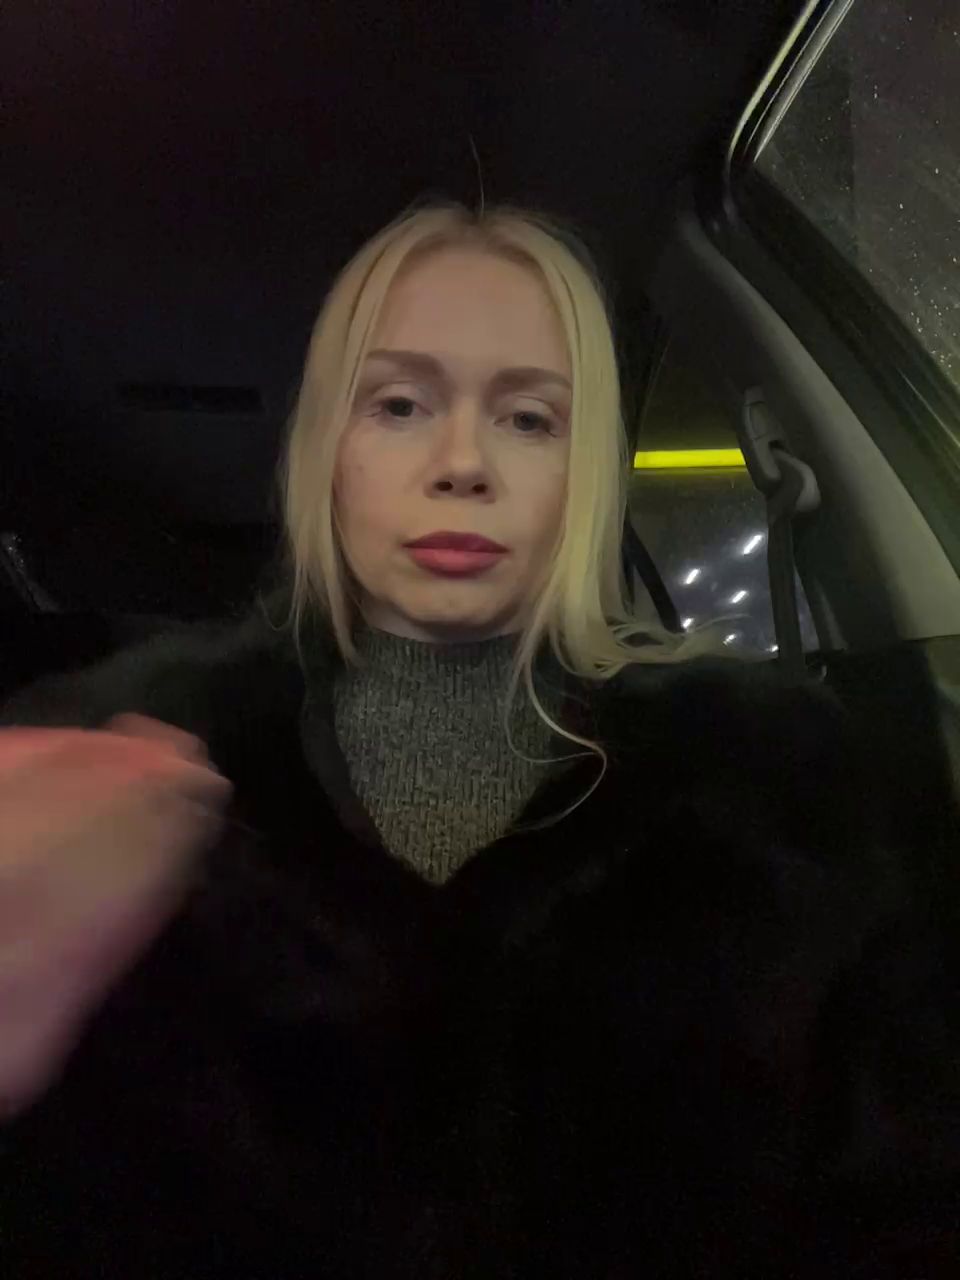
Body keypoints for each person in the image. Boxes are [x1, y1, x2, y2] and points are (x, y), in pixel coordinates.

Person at [1, 203, 958, 1279]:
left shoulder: (775, 790)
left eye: (529, 419)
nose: (463, 463)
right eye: (400, 404)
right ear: (327, 452)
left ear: (583, 472)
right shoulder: (110, 761)